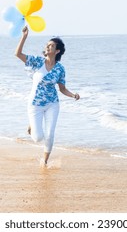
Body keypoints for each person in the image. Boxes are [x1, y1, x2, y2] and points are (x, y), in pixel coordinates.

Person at [15, 26, 80, 166]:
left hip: (52, 104)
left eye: (51, 45)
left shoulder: (60, 68)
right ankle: (32, 126)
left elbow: (62, 88)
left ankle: (44, 162)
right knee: (38, 138)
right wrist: (24, 37)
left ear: (57, 51)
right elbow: (18, 54)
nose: (48, 47)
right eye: (47, 45)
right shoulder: (38, 62)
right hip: (35, 104)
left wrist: (73, 95)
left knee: (50, 134)